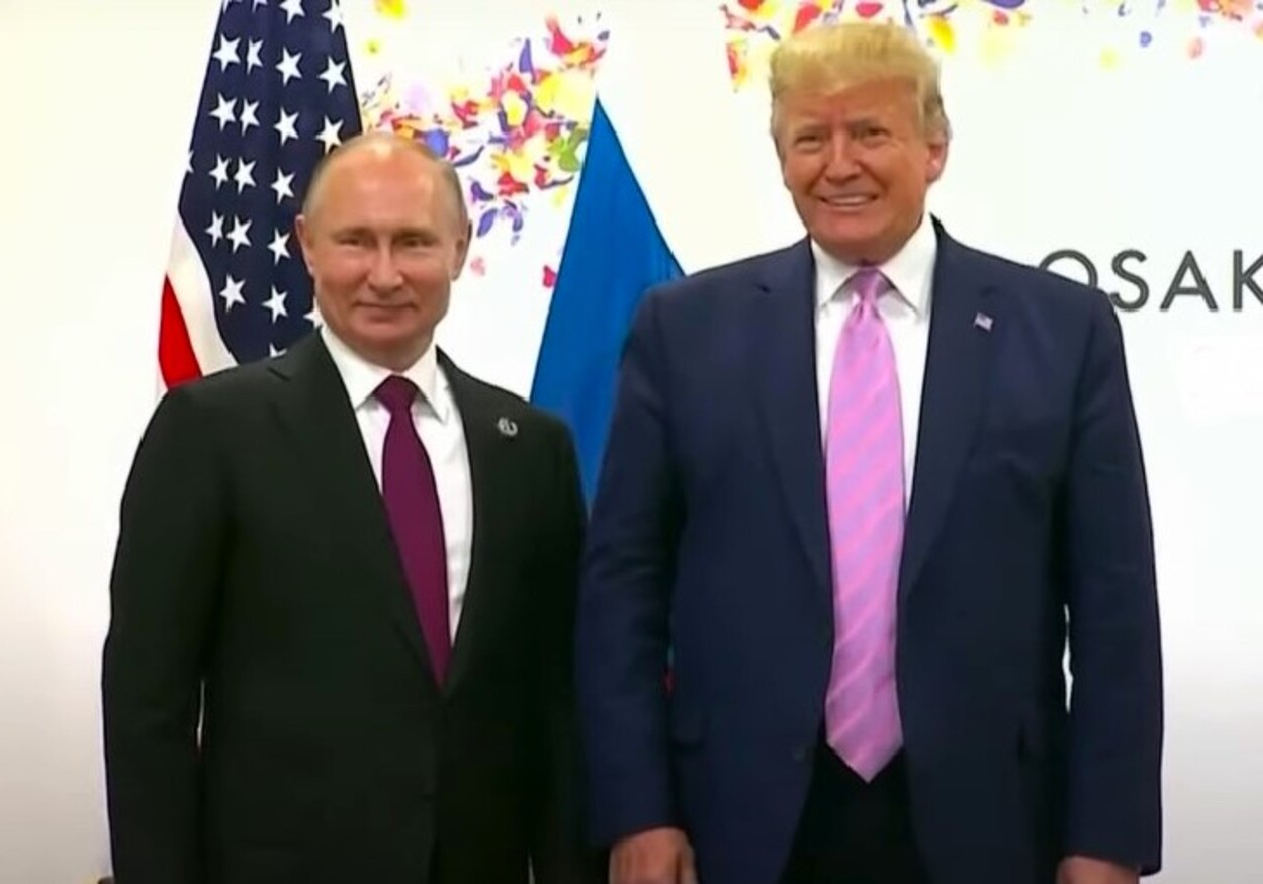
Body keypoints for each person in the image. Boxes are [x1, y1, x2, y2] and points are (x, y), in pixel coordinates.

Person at [575, 20, 1162, 884]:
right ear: (782, 159)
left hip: (992, 824)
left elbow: (1115, 607)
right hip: (736, 823)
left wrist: (1107, 837)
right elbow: (623, 587)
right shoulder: (684, 330)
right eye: (811, 139)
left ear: (935, 148)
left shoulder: (1063, 330)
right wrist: (637, 811)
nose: (839, 165)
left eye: (871, 133)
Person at [102, 132, 604, 884]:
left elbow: (555, 701)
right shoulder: (210, 431)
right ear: (307, 245)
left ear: (460, 248)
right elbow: (149, 701)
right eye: (355, 241)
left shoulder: (531, 447)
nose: (385, 274)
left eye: (413, 242)